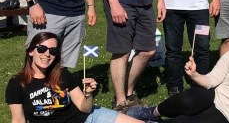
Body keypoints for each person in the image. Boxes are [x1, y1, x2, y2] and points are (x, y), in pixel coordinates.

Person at [127, 21, 229, 123]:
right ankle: (152, 112)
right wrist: (194, 75)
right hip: (216, 96)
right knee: (188, 99)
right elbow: (212, 80)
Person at [5, 31, 142, 123]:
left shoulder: (62, 74)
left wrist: (88, 94)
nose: (47, 54)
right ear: (30, 51)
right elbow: (18, 120)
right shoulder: (17, 83)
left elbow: (85, 108)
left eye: (53, 51)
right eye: (41, 49)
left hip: (87, 118)